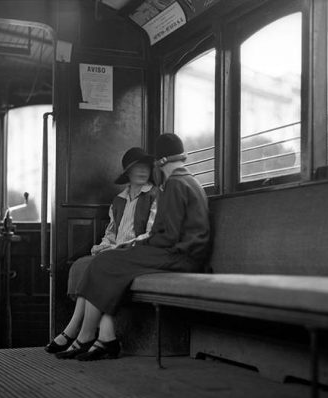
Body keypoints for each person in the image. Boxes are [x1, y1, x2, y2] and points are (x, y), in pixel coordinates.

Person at [56, 133, 210, 361]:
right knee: (106, 262)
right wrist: (135, 245)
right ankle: (102, 337)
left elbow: (167, 236)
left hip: (179, 256)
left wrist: (137, 245)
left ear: (160, 162)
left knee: (106, 263)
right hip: (181, 253)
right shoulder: (187, 181)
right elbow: (169, 233)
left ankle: (89, 337)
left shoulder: (175, 185)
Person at [45, 147, 159, 354]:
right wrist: (105, 246)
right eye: (137, 167)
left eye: (146, 167)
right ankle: (77, 330)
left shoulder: (154, 195)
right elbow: (111, 232)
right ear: (128, 173)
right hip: (116, 251)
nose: (143, 171)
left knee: (98, 265)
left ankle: (75, 332)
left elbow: (151, 233)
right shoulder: (119, 200)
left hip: (138, 251)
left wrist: (121, 247)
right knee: (82, 264)